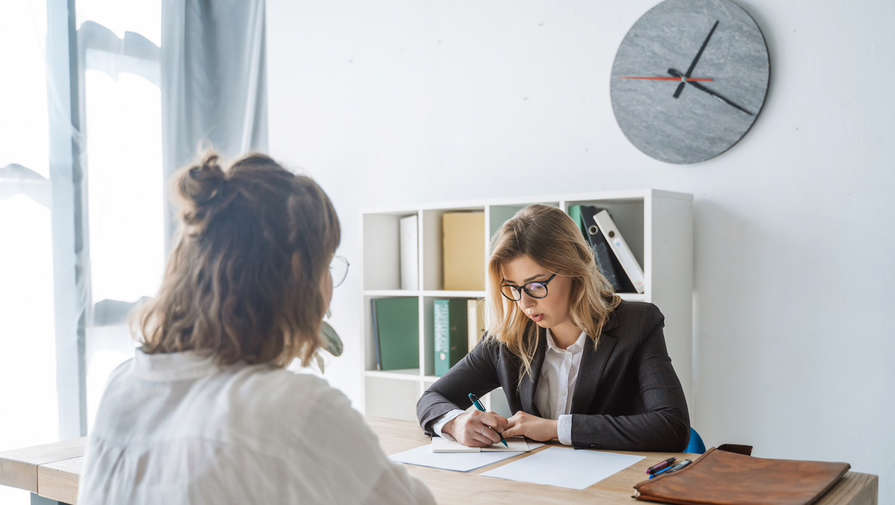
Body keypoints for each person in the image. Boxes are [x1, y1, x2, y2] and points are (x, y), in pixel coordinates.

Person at [78, 152, 434, 505]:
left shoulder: (123, 385)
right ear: (297, 274)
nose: (329, 287)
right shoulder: (295, 409)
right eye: (325, 264)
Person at [417, 204, 690, 451]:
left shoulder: (637, 324)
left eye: (536, 285)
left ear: (574, 270)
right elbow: (432, 398)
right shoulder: (507, 337)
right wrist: (456, 422)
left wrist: (554, 429)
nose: (524, 303)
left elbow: (671, 426)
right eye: (513, 288)